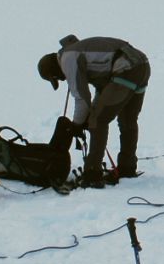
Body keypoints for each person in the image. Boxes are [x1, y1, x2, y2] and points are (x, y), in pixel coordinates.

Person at [36, 34, 150, 187]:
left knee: (98, 121)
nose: (63, 80)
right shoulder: (78, 51)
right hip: (141, 65)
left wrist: (77, 124)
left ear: (54, 71)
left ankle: (92, 173)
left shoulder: (68, 59)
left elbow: (81, 97)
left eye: (58, 79)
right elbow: (103, 90)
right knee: (127, 120)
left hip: (125, 69)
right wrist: (89, 115)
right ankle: (127, 167)